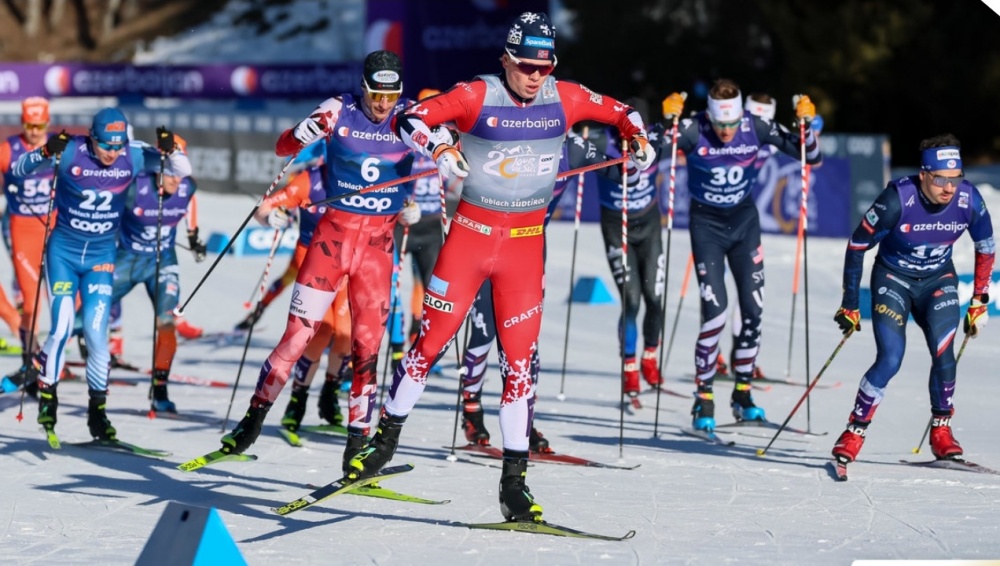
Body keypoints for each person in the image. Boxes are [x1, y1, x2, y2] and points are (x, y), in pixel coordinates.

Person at [348, 11, 656, 522]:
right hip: (470, 240)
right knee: (429, 346)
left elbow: (624, 114)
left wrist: (640, 142)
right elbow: (410, 119)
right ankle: (383, 443)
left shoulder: (565, 97)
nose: (536, 76)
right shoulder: (477, 94)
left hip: (524, 248)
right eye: (526, 66)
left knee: (519, 366)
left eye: (544, 66)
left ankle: (514, 483)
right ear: (506, 60)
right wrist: (440, 146)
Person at [216, 50, 422, 467]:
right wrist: (300, 133)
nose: (383, 104)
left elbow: (451, 143)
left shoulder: (410, 115)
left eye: (391, 95)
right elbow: (283, 147)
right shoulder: (338, 108)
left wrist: (419, 192)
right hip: (329, 244)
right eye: (376, 95)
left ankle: (356, 449)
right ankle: (252, 422)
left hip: (376, 252)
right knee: (296, 338)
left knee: (366, 350)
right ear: (364, 88)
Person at [10, 108, 189, 439]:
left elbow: (182, 170)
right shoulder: (71, 150)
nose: (113, 152)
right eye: (107, 145)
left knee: (96, 335)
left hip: (101, 258)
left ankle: (98, 414)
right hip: (64, 254)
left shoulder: (132, 155)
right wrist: (45, 152)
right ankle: (48, 400)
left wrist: (171, 150)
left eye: (118, 145)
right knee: (61, 328)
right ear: (92, 138)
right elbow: (18, 170)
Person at [657, 79, 821, 433]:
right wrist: (666, 123)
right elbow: (646, 156)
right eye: (720, 124)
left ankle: (742, 394)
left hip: (744, 225)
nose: (726, 131)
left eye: (732, 123)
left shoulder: (755, 125)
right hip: (707, 228)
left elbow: (811, 155)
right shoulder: (694, 128)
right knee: (715, 316)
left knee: (753, 312)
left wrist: (805, 126)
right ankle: (704, 397)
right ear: (710, 116)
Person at [831, 134, 994, 465]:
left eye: (955, 178)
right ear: (923, 175)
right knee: (891, 358)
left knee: (944, 354)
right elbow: (858, 245)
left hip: (938, 281)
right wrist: (850, 303)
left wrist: (979, 299)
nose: (949, 188)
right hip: (893, 279)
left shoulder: (969, 200)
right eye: (940, 179)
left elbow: (986, 247)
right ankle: (855, 430)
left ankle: (941, 429)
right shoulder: (897, 200)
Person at [458, 130, 604, 452]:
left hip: (528, 250)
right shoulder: (511, 132)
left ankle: (523, 417)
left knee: (524, 339)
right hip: (485, 242)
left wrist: (635, 144)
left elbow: (618, 170)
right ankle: (472, 409)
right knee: (484, 331)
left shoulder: (573, 147)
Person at [109, 138, 204, 413]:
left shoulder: (187, 185)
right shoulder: (134, 186)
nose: (176, 179)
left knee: (167, 322)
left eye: (179, 171)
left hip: (162, 261)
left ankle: (160, 390)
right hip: (128, 258)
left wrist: (193, 236)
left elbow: (189, 202)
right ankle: (44, 364)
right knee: (88, 311)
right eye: (170, 172)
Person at [592, 105, 666, 398]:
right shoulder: (602, 140)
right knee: (632, 301)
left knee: (655, 299)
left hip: (649, 226)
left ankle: (650, 357)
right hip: (617, 227)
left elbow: (683, 136)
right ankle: (630, 367)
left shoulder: (654, 138)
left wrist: (673, 114)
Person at [0, 98, 56, 364]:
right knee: (31, 302)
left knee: (73, 294)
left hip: (57, 227)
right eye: (29, 125)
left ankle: (57, 352)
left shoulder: (60, 146)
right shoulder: (8, 150)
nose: (34, 131)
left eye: (40, 125)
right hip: (22, 229)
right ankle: (31, 358)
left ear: (48, 123)